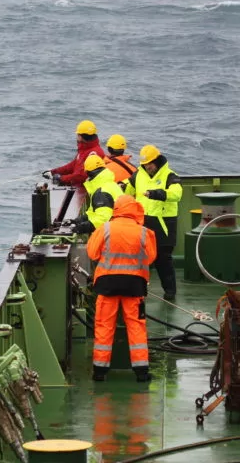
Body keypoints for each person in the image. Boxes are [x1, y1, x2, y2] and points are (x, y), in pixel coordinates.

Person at [87, 194, 157, 383]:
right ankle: (141, 372)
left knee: (104, 326)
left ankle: (100, 372)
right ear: (134, 210)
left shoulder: (105, 229)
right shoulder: (144, 232)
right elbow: (150, 257)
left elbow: (92, 253)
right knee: (136, 327)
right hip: (134, 286)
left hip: (107, 284)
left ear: (116, 209)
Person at [124, 144, 183, 301]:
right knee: (140, 259)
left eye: (149, 163)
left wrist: (158, 194)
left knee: (163, 259)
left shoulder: (170, 176)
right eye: (144, 164)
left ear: (157, 160)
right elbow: (126, 192)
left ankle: (170, 291)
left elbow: (177, 194)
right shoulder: (137, 176)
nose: (147, 167)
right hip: (142, 223)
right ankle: (138, 291)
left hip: (164, 224)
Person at [42, 120, 105, 187]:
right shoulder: (85, 150)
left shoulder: (94, 153)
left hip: (87, 189)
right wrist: (53, 172)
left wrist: (61, 178)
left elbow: (82, 176)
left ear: (80, 136)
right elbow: (72, 165)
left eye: (77, 134)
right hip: (80, 186)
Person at [73, 154, 124, 234]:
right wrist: (81, 219)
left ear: (89, 173)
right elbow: (95, 212)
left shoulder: (101, 192)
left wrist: (83, 227)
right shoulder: (110, 184)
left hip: (114, 233)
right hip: (120, 226)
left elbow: (103, 219)